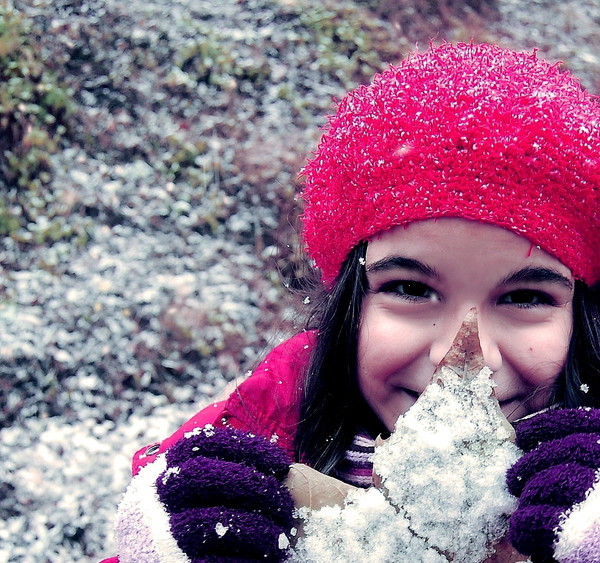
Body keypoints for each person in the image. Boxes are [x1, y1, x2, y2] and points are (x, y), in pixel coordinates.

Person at [103, 42, 600, 563]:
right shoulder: (264, 426)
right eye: (410, 289)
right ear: (351, 306)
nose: (462, 360)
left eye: (525, 297)